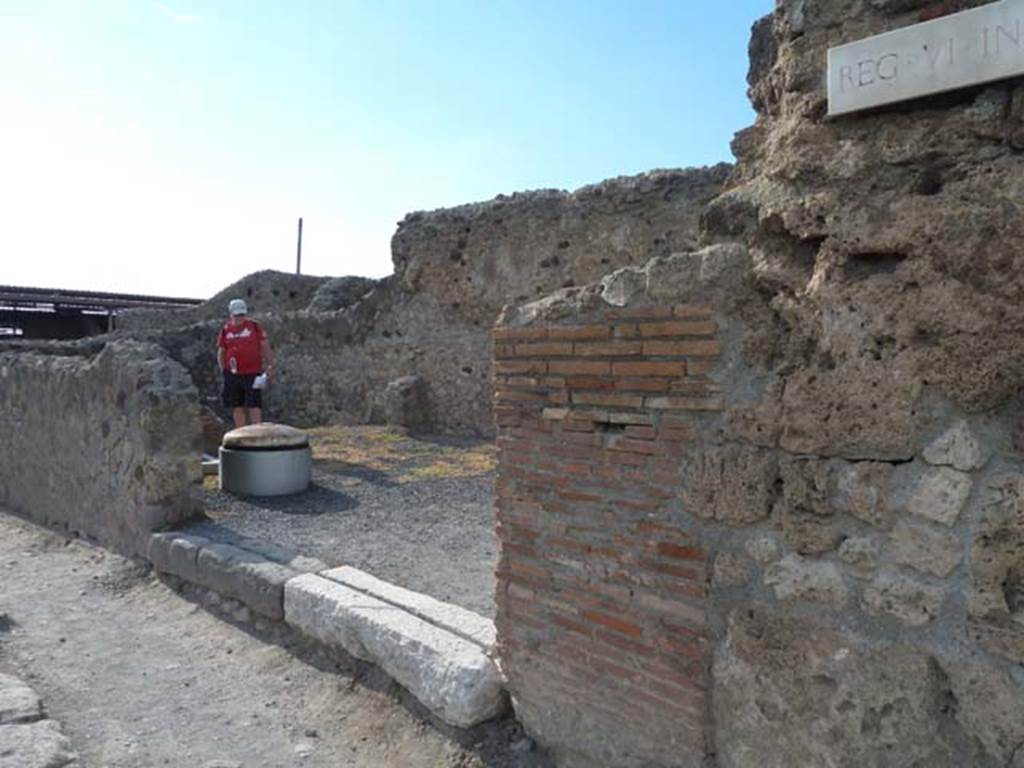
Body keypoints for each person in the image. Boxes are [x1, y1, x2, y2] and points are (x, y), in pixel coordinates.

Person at [217, 298, 273, 427]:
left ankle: (256, 431)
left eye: (242, 314)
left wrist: (270, 365)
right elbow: (221, 351)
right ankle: (241, 432)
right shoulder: (226, 330)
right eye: (237, 315)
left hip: (253, 372)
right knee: (237, 405)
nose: (239, 318)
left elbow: (265, 346)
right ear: (231, 314)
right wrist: (224, 370)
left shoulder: (254, 326)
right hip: (233, 373)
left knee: (254, 404)